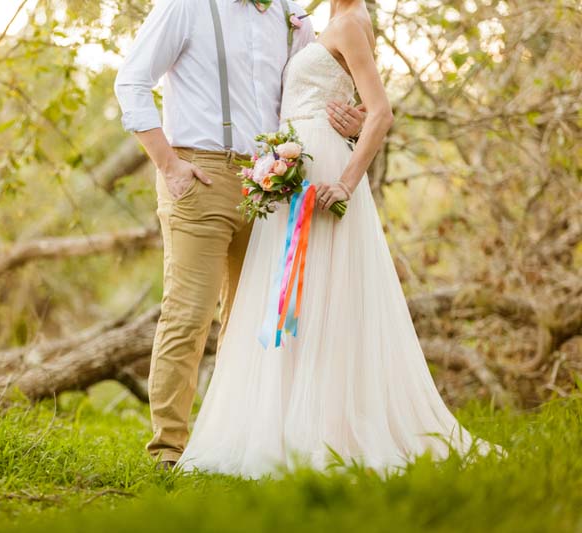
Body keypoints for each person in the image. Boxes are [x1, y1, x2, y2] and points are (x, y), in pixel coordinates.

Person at [177, 0, 496, 478]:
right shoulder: (332, 21)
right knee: (302, 298)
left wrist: (345, 180)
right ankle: (291, 422)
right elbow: (361, 104)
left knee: (315, 295)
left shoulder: (348, 23)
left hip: (322, 173)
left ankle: (314, 431)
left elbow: (381, 113)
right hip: (300, 162)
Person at [114, 0, 366, 470]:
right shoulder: (185, 7)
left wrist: (353, 120)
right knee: (189, 314)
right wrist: (169, 164)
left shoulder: (292, 18)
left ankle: (231, 444)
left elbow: (310, 90)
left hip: (272, 179)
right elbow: (130, 81)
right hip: (198, 173)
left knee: (253, 318)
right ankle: (168, 450)